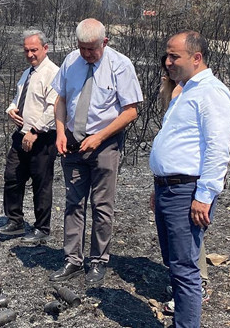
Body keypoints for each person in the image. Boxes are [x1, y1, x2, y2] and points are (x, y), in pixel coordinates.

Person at [149, 30, 230, 328]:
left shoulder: (211, 92)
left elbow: (217, 148)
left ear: (196, 58)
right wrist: (157, 186)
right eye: (167, 56)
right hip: (168, 188)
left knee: (185, 268)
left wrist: (205, 195)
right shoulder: (184, 90)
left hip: (187, 190)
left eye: (174, 56)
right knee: (175, 264)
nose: (168, 62)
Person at [48, 18, 143, 285]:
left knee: (102, 205)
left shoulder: (120, 65)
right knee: (73, 202)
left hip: (105, 144)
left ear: (105, 42)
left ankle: (99, 261)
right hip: (73, 142)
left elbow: (131, 111)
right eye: (83, 49)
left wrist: (99, 137)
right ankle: (72, 260)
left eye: (93, 49)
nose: (88, 54)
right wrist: (59, 132)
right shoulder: (70, 62)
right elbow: (61, 99)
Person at [0, 30, 60, 245]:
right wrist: (12, 109)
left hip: (42, 137)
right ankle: (15, 221)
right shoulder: (28, 72)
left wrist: (36, 131)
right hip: (22, 133)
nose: (30, 54)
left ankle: (42, 228)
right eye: (27, 50)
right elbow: (18, 98)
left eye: (34, 50)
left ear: (45, 48)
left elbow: (54, 107)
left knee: (41, 183)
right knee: (12, 176)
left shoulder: (53, 73)